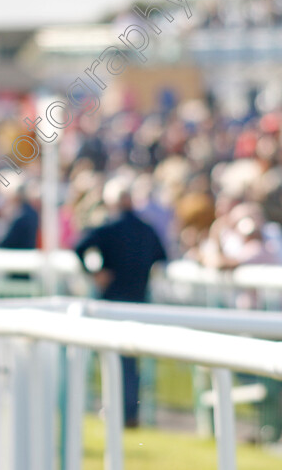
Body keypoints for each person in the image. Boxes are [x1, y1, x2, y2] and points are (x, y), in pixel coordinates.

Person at [74, 178, 167, 428]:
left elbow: (79, 247)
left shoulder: (108, 227)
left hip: (112, 302)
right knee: (130, 361)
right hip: (139, 301)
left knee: (112, 358)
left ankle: (119, 411)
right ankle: (130, 412)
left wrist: (96, 273)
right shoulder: (147, 229)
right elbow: (162, 256)